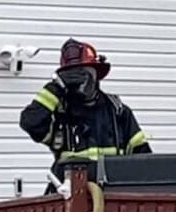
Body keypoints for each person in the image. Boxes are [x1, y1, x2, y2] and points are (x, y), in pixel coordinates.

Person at [20, 38, 151, 186]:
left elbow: (144, 161)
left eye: (84, 73)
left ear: (97, 75)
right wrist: (55, 88)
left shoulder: (117, 112)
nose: (81, 81)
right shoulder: (60, 113)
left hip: (112, 196)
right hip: (69, 195)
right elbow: (30, 122)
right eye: (73, 75)